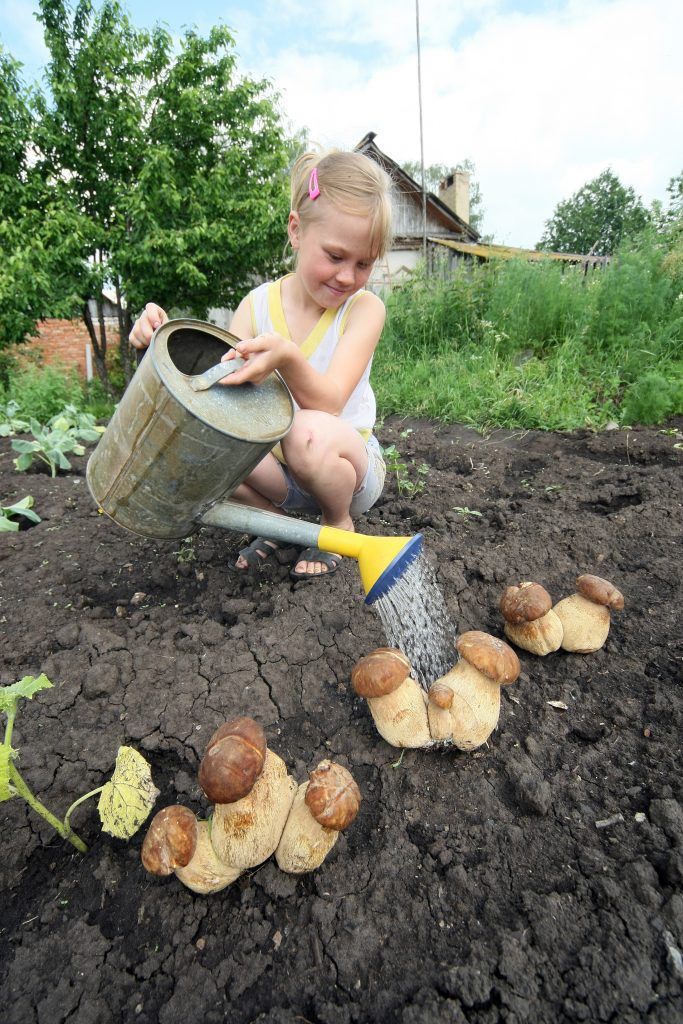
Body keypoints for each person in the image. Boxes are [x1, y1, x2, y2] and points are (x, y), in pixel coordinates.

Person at [129, 149, 393, 580]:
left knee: (306, 429)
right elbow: (219, 396)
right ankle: (280, 527)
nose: (347, 276)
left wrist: (287, 357)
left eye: (363, 264)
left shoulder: (364, 310)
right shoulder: (256, 306)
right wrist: (153, 342)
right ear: (296, 230)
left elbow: (329, 401)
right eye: (335, 256)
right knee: (210, 447)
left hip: (344, 470)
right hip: (278, 477)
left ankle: (337, 524)